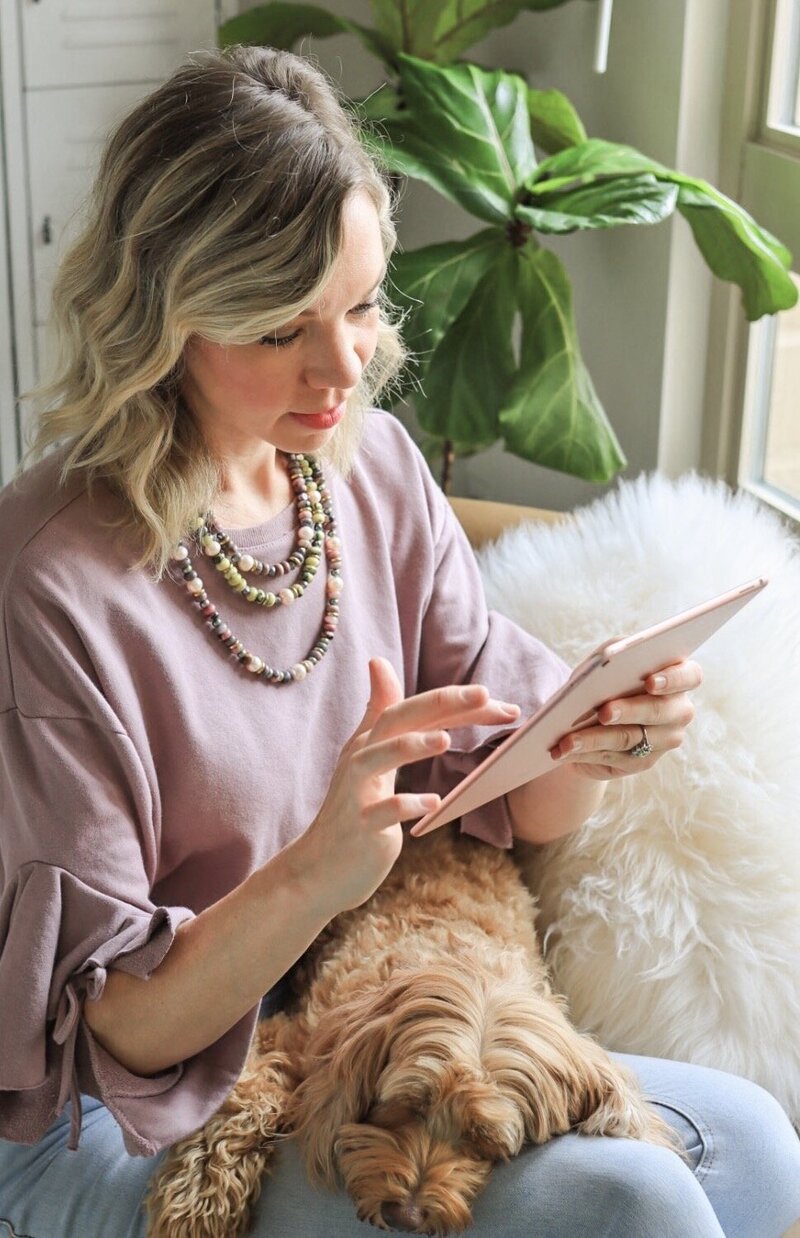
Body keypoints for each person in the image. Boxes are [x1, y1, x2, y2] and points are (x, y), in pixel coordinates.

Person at [0, 43, 797, 1238]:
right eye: (282, 325)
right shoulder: (52, 577)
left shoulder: (365, 468)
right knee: (629, 1203)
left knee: (754, 1148)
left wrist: (593, 733)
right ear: (163, 312)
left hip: (365, 1024)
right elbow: (121, 1022)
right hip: (133, 1106)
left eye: (362, 304)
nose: (344, 366)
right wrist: (322, 866)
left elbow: (522, 807)